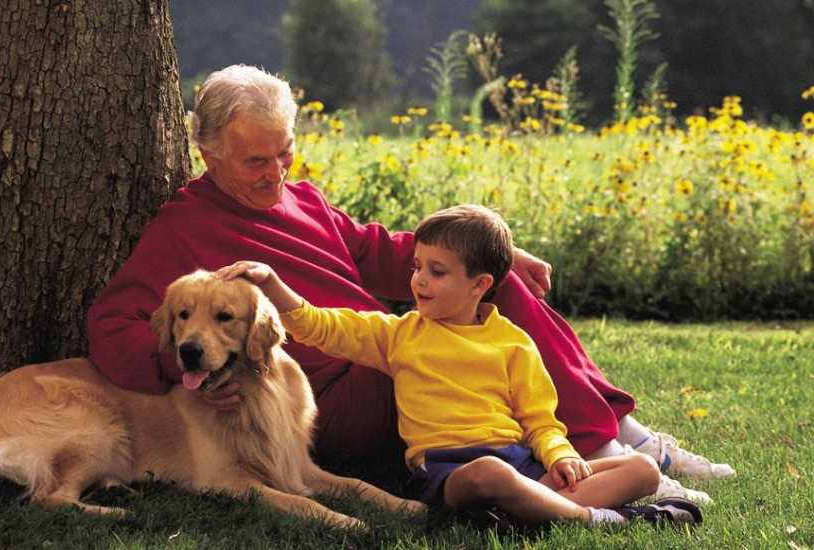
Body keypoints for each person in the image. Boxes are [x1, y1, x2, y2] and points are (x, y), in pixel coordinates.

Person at [85, 64, 733, 504]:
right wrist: (183, 372)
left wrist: (503, 257)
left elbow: (380, 250)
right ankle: (600, 458)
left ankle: (623, 440)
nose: (276, 173)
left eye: (285, 152)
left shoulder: (303, 199)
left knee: (486, 283)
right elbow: (111, 325)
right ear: (209, 151)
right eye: (257, 160)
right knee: (446, 341)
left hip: (390, 346)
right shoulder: (182, 229)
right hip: (334, 395)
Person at [212, 205, 702, 527]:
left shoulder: (513, 343)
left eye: (436, 272)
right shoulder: (399, 334)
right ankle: (597, 518)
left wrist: (558, 457)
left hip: (522, 465)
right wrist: (273, 285)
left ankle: (528, 512)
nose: (419, 281)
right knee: (489, 474)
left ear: (479, 285)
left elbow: (540, 420)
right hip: (448, 472)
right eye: (417, 267)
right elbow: (319, 326)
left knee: (640, 468)